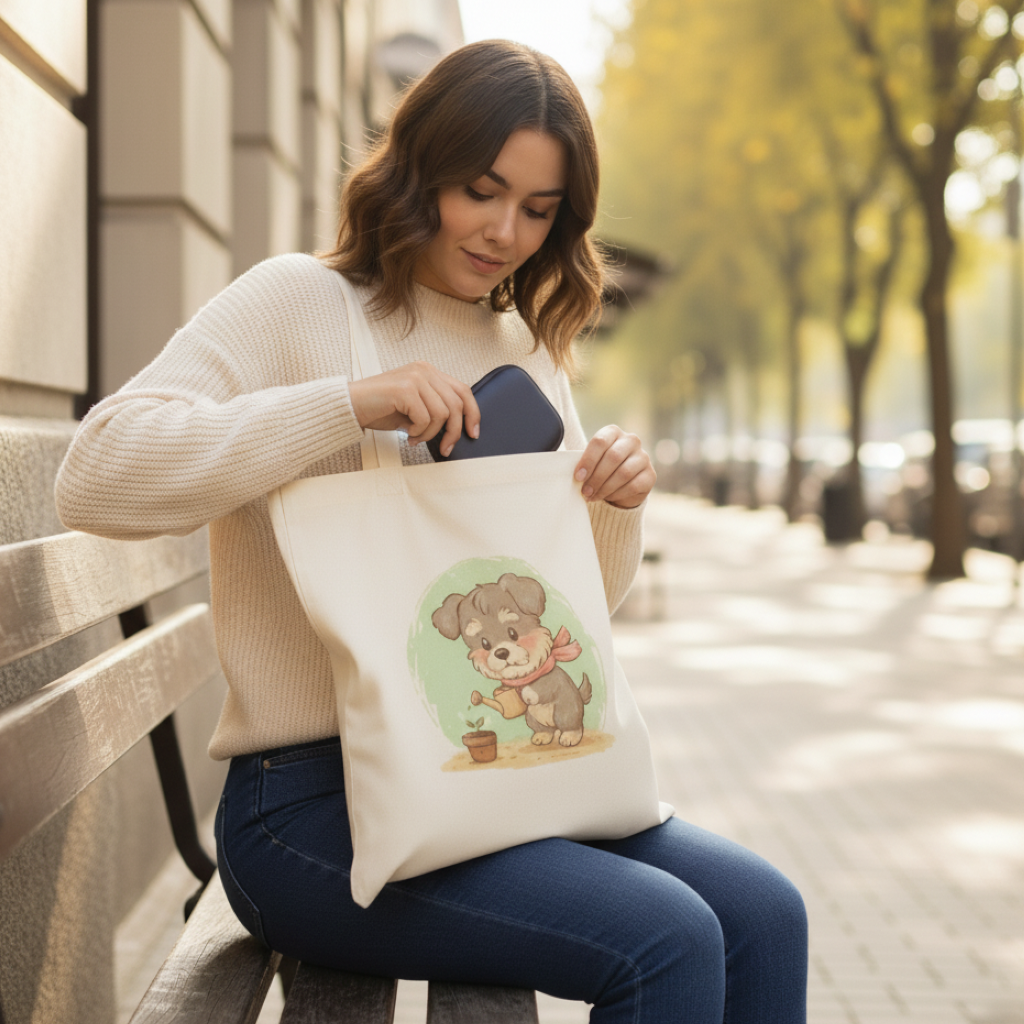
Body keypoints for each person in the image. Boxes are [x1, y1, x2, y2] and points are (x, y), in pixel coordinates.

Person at [55, 39, 807, 1024]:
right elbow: (95, 473)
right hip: (311, 815)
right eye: (481, 190)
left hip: (497, 771)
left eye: (538, 210)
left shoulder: (521, 352)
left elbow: (570, 611)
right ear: (418, 169)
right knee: (667, 938)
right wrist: (346, 404)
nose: (505, 231)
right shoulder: (297, 302)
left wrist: (612, 504)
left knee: (766, 913)